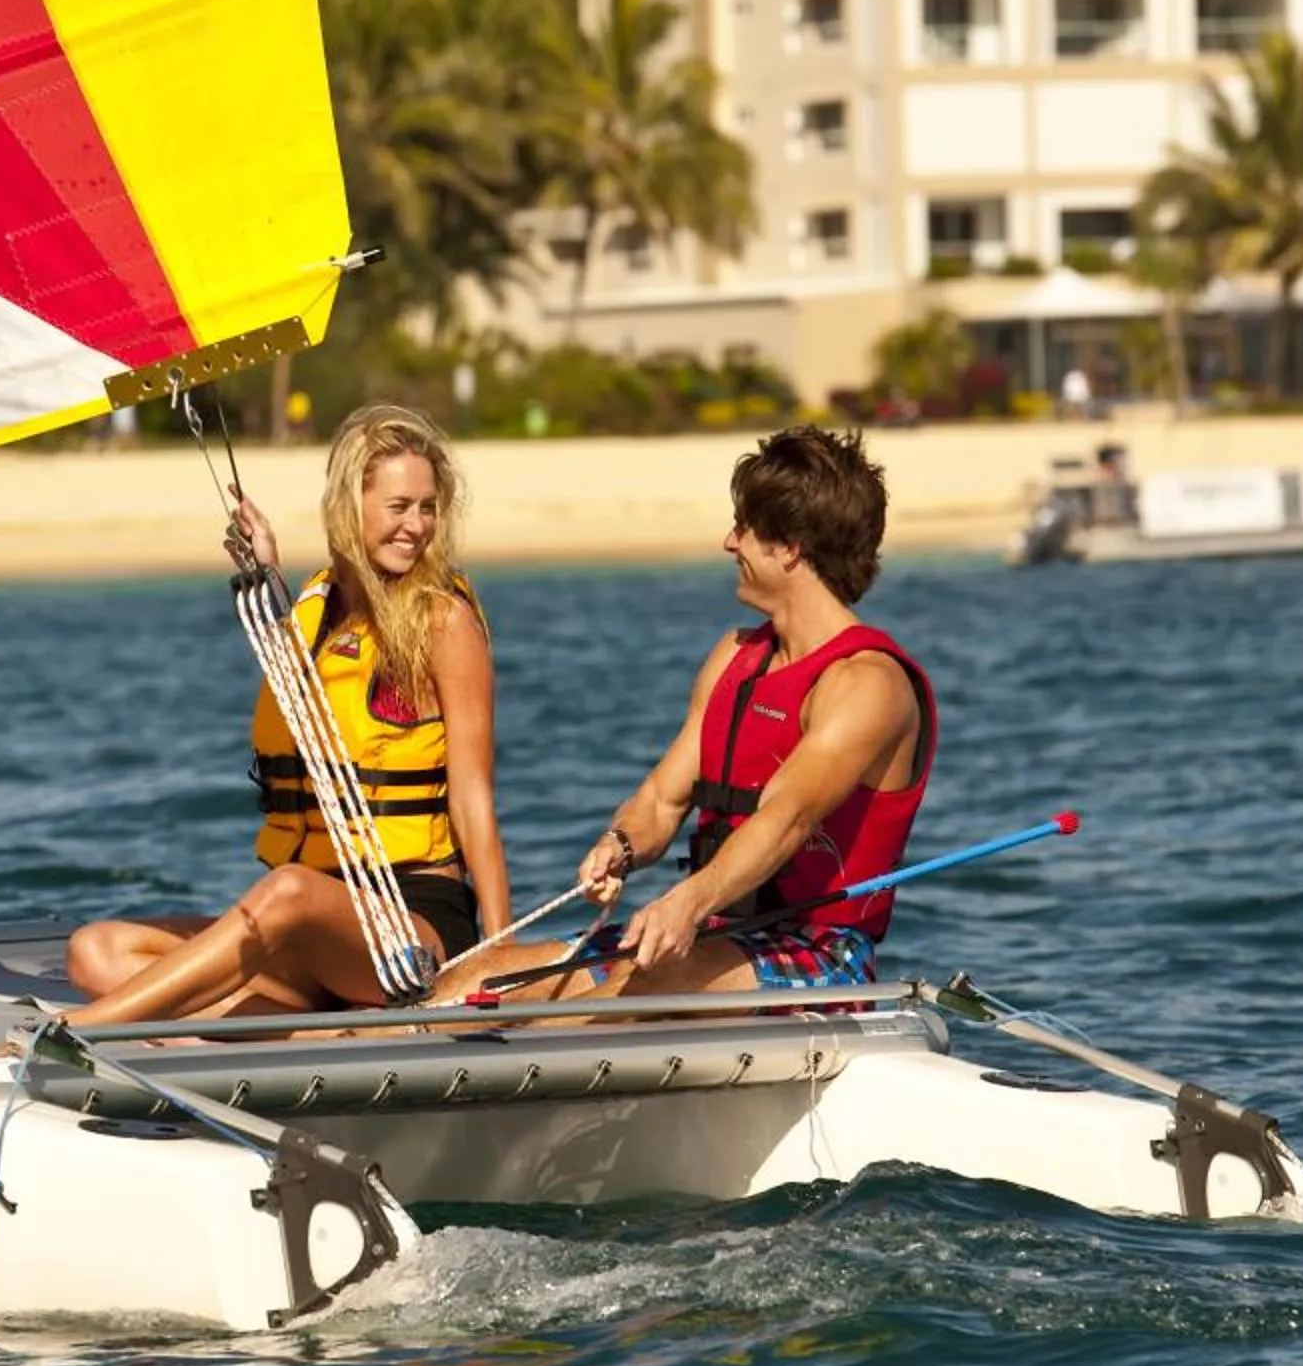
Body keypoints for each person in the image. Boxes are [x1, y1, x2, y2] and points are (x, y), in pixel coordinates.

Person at [430, 424, 930, 1011]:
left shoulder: (866, 683)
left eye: (744, 527)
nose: (729, 542)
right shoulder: (735, 658)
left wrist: (685, 905)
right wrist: (618, 845)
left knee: (624, 994)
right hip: (715, 933)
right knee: (477, 979)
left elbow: (785, 821)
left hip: (817, 952)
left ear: (791, 546)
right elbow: (663, 802)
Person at [60, 405, 509, 1026]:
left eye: (427, 507)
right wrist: (266, 572)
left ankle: (74, 1033)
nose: (416, 527)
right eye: (398, 507)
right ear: (350, 507)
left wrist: (499, 953)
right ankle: (303, 1037)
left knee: (288, 891)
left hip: (411, 928)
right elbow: (309, 716)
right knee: (98, 950)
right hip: (317, 936)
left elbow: (473, 795)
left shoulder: (443, 621)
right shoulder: (313, 610)